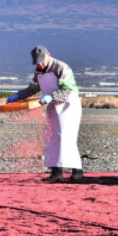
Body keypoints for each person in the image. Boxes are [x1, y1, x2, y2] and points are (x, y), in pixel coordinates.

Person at [6, 46, 84, 183]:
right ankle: (56, 173)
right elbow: (33, 88)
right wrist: (18, 96)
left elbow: (68, 90)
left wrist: (50, 97)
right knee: (52, 137)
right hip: (53, 105)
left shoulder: (61, 67)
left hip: (69, 105)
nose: (40, 64)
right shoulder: (38, 71)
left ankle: (77, 170)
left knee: (66, 136)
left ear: (49, 55)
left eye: (41, 61)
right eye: (37, 62)